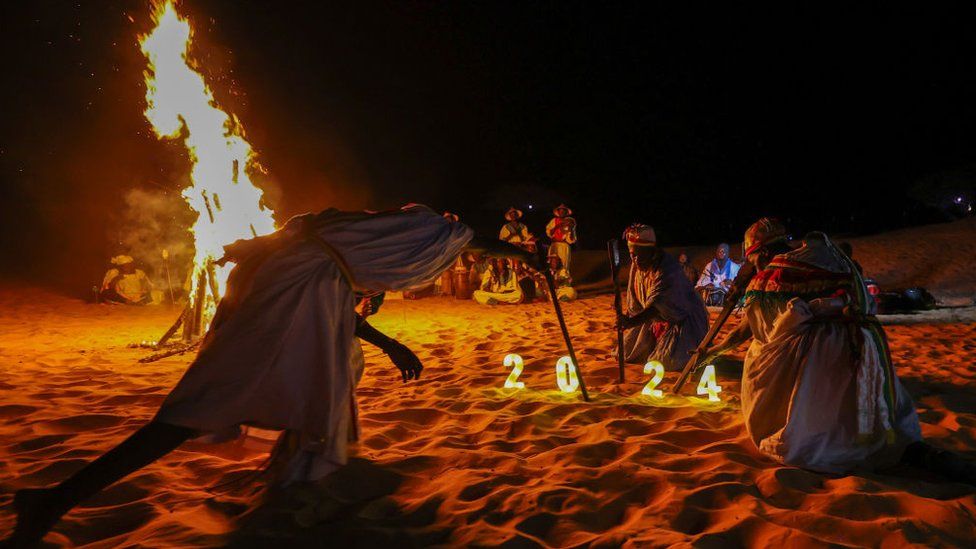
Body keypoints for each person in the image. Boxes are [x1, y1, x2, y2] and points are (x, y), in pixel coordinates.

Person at [5, 204, 533, 547]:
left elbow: (309, 237)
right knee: (206, 405)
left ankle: (297, 474)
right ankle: (53, 500)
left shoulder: (346, 242)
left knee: (322, 382)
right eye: (445, 228)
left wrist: (253, 249)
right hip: (285, 294)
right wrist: (518, 253)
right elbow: (468, 240)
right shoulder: (392, 236)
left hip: (297, 287)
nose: (442, 231)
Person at [705, 218, 975, 482]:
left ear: (762, 251)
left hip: (823, 357)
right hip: (866, 346)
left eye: (753, 258)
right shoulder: (824, 256)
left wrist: (717, 349)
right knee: (876, 430)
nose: (753, 265)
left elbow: (758, 329)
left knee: (776, 380)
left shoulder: (772, 277)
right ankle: (916, 453)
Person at [615, 224, 709, 370]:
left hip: (683, 319)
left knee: (664, 363)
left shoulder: (668, 269)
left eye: (640, 254)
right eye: (633, 255)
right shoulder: (637, 265)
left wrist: (630, 322)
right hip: (653, 319)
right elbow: (637, 304)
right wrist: (628, 319)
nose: (636, 259)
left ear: (652, 251)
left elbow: (657, 306)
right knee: (626, 353)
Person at [545, 204, 577, 271]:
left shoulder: (569, 222)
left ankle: (563, 280)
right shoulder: (554, 221)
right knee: (553, 264)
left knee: (563, 264)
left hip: (564, 246)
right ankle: (553, 280)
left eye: (563, 211)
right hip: (554, 245)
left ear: (566, 213)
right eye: (560, 211)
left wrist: (571, 230)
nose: (561, 213)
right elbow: (549, 233)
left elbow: (572, 240)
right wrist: (558, 226)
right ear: (558, 212)